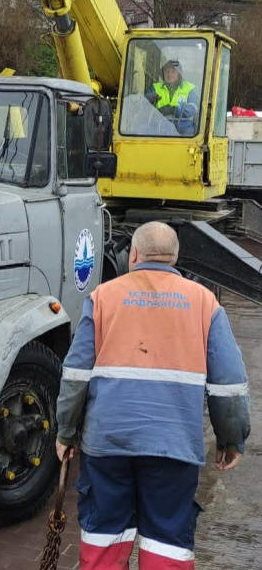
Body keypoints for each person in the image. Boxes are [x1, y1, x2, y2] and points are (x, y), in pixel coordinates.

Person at [56, 221, 250, 570]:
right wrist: (231, 438)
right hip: (174, 446)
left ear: (133, 255)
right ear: (174, 258)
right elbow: (229, 382)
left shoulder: (102, 297)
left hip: (107, 444)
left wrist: (67, 432)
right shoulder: (204, 302)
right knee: (167, 542)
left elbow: (75, 375)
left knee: (104, 537)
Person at [145, 60, 199, 136]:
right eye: (167, 71)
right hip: (159, 129)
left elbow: (193, 109)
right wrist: (149, 101)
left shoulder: (189, 88)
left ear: (179, 74)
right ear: (163, 74)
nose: (169, 74)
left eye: (173, 71)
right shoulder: (155, 88)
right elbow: (143, 106)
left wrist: (174, 109)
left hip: (184, 132)